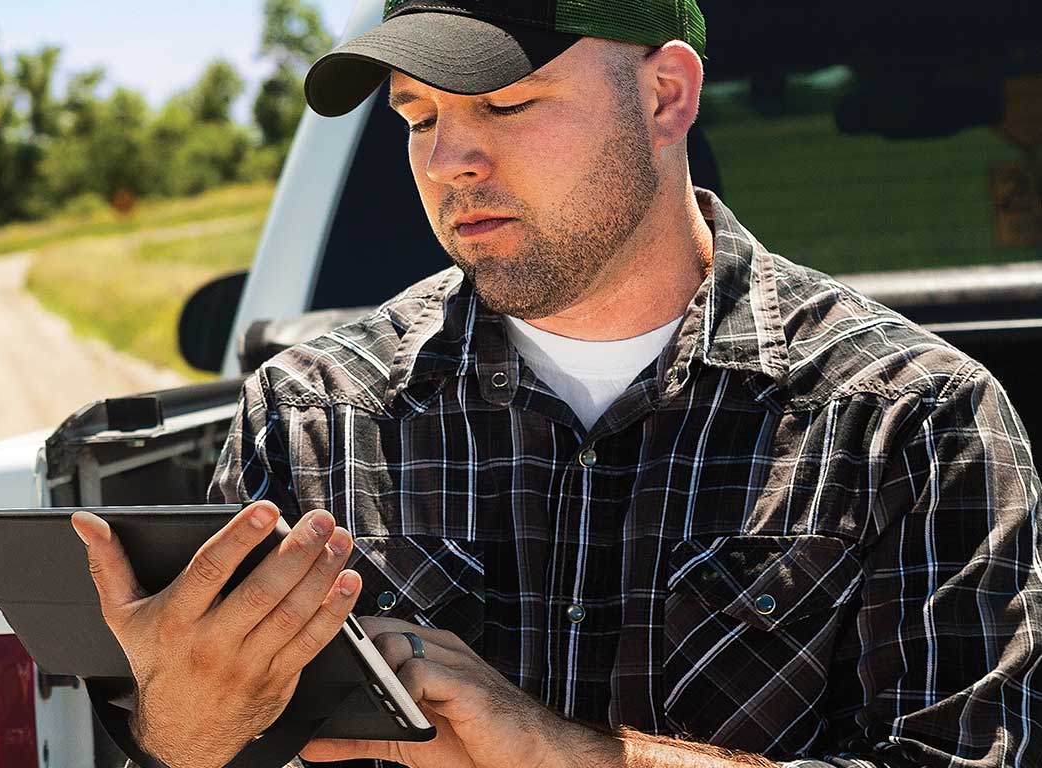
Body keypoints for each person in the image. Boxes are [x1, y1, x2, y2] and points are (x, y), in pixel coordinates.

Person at [71, 1, 1042, 766]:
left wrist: (561, 755)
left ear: (665, 95)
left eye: (503, 104)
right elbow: (202, 754)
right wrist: (175, 727)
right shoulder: (311, 418)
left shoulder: (914, 421)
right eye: (417, 116)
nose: (449, 161)